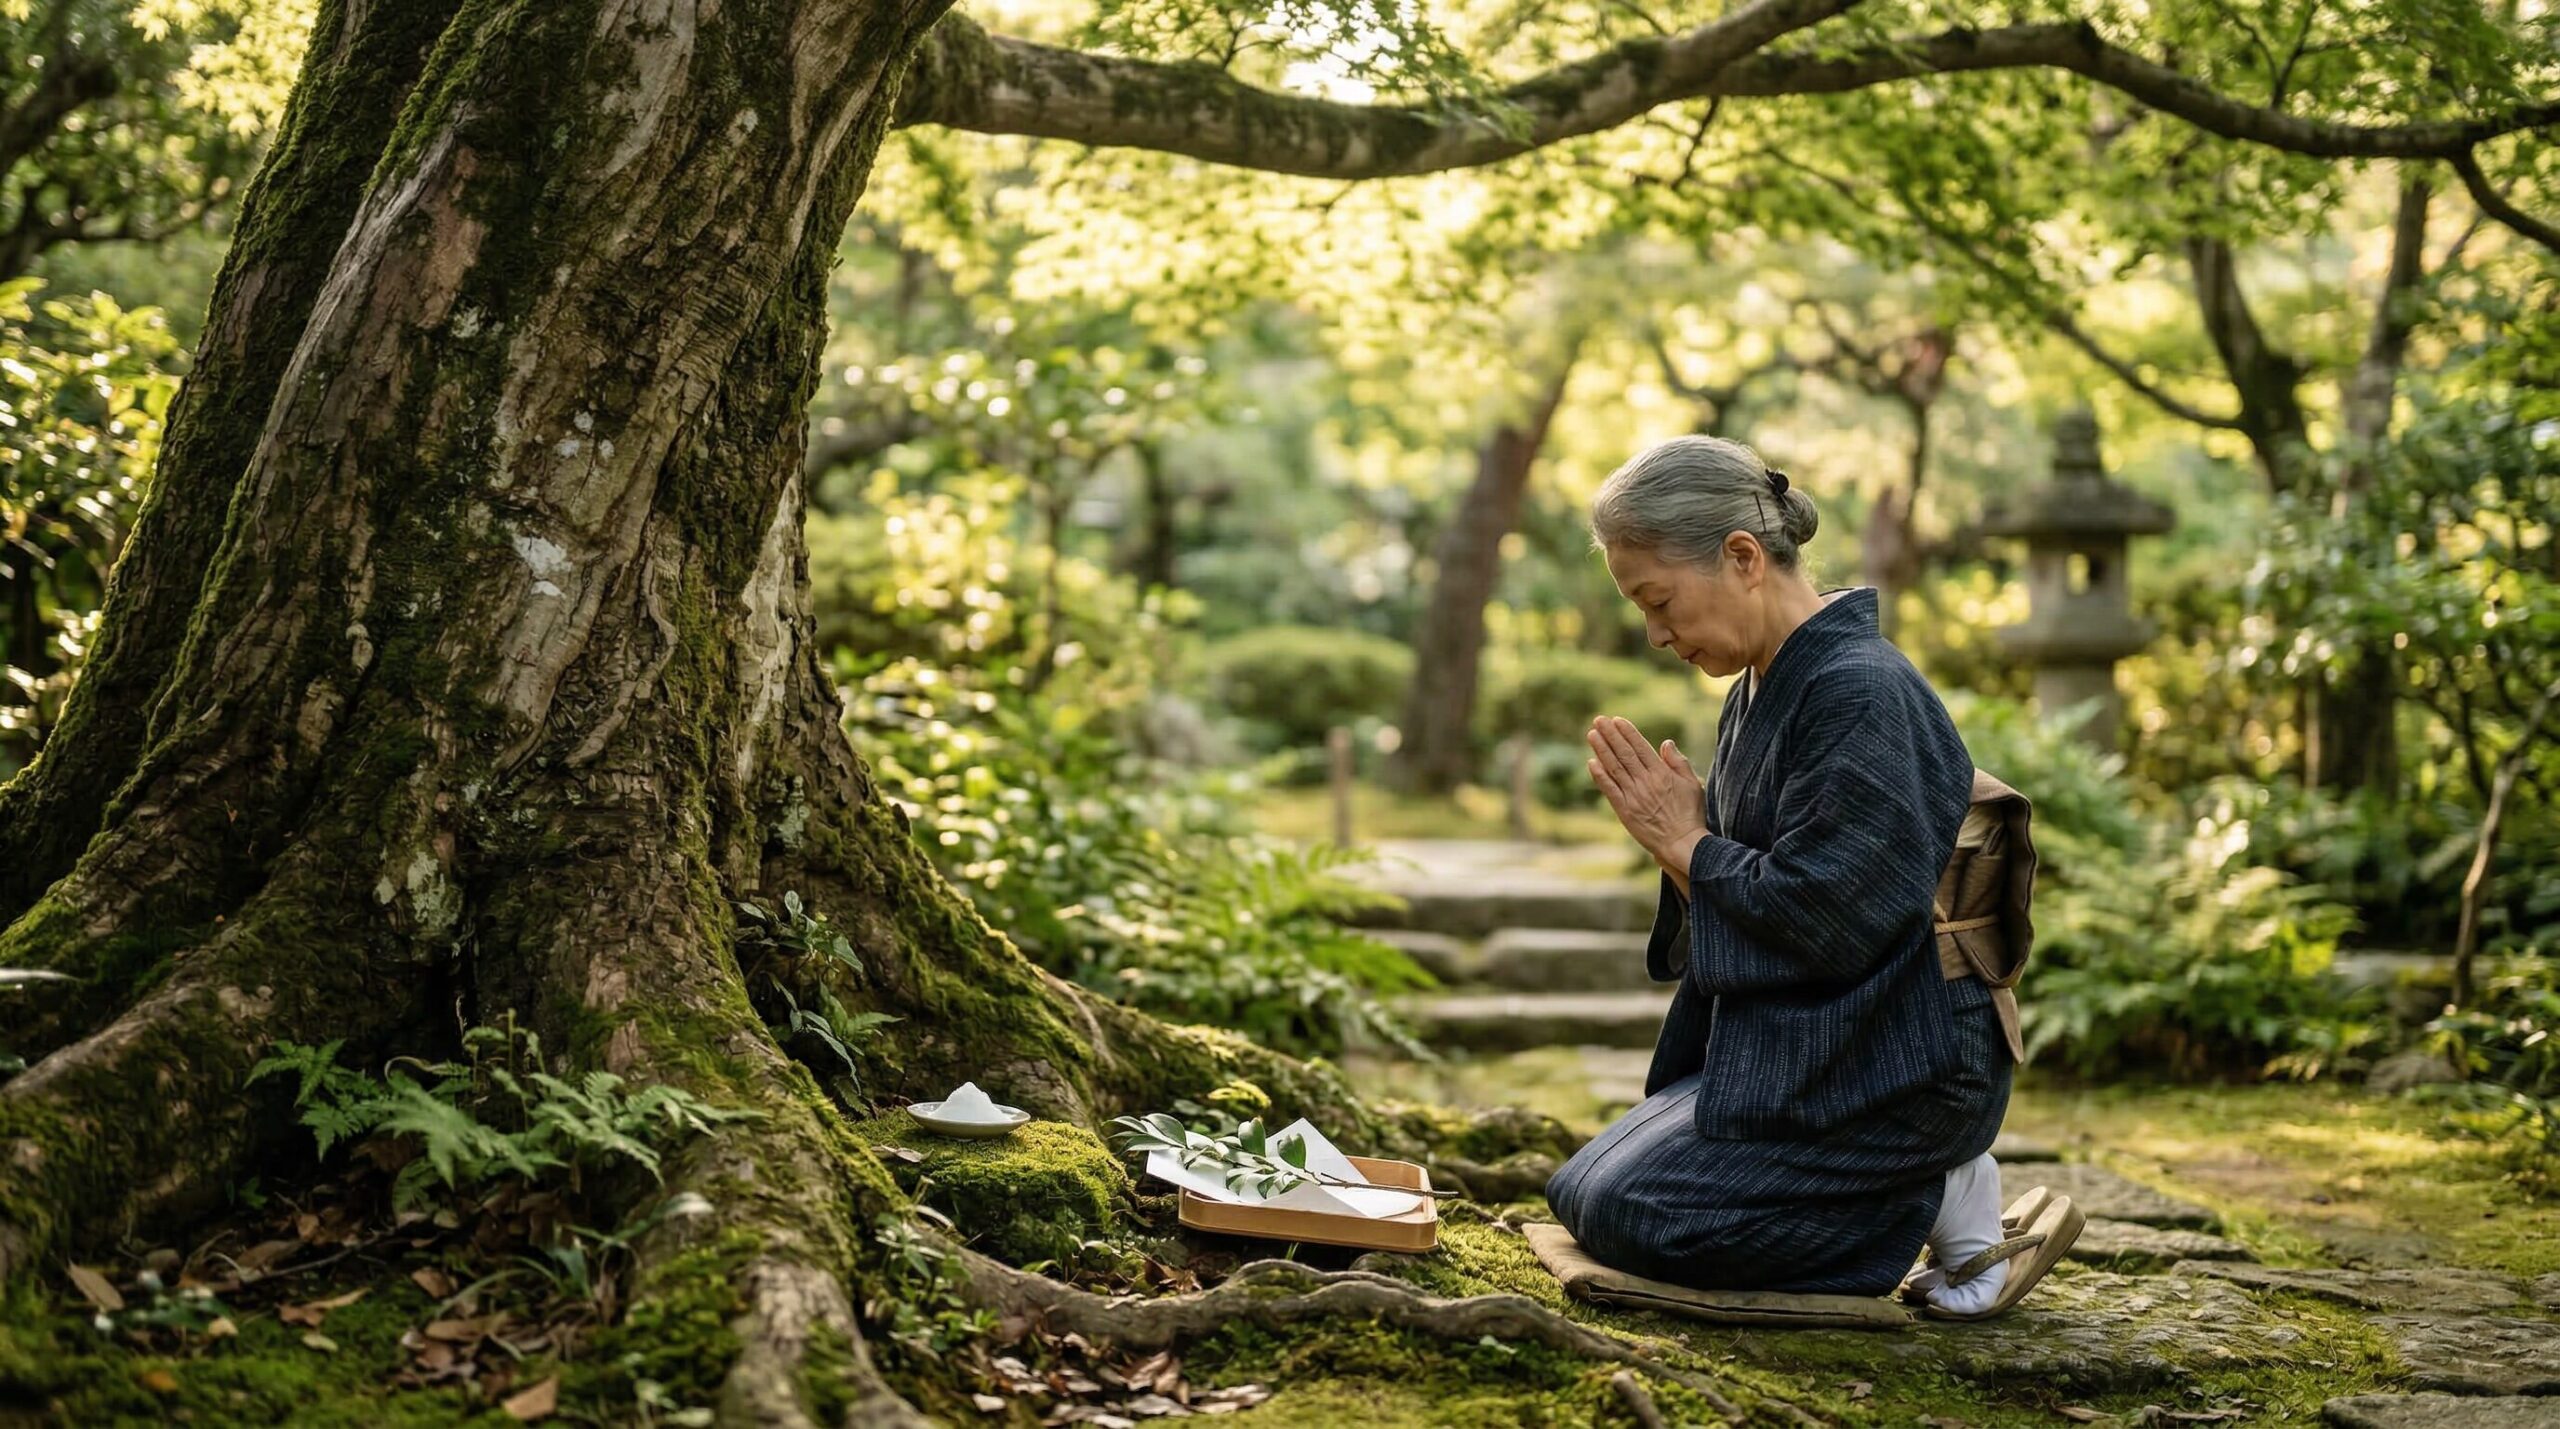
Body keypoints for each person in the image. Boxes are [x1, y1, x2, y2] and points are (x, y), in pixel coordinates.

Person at [1543, 435, 2078, 1318]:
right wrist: (1686, 846)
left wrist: (1689, 845)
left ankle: (1935, 1191)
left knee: (1638, 1210)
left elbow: (1833, 918)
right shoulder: (1758, 687)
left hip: (1903, 1059)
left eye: (1659, 600)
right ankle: (1910, 1188)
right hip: (1818, 1042)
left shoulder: (1861, 689)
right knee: (1581, 1185)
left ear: (1743, 557)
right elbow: (1763, 895)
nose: (1656, 633)